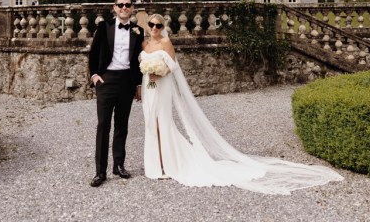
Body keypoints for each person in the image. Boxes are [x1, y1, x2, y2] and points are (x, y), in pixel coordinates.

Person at [139, 14, 344, 194]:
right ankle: (154, 164)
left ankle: (168, 164)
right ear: (148, 26)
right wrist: (148, 74)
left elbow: (173, 67)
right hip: (149, 85)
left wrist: (160, 72)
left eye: (158, 25)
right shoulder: (145, 44)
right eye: (152, 25)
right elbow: (141, 64)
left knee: (162, 121)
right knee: (150, 122)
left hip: (162, 85)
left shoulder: (166, 44)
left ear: (162, 27)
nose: (155, 28)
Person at [88, 0, 144, 187]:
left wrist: (138, 85)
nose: (124, 8)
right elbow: (93, 53)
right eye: (120, 5)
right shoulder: (104, 27)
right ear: (114, 7)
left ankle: (119, 165)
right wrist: (94, 76)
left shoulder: (139, 30)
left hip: (126, 81)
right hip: (107, 80)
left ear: (132, 8)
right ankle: (100, 172)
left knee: (122, 125)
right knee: (103, 125)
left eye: (127, 5)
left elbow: (138, 61)